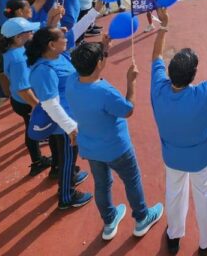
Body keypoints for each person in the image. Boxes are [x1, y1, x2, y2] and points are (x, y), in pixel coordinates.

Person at [150, 11, 207, 255]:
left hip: (172, 155)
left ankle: (174, 235)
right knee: (203, 194)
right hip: (201, 157)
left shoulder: (158, 87)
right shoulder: (202, 94)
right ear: (193, 75)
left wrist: (164, 26)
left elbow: (156, 56)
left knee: (174, 193)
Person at [66, 41, 164, 241]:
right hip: (116, 148)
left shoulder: (71, 81)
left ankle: (109, 222)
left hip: (90, 147)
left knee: (102, 184)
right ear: (99, 63)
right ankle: (142, 217)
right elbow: (128, 109)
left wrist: (102, 46)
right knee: (132, 180)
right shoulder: (104, 92)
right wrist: (131, 82)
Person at [26, 27, 93, 209]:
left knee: (67, 157)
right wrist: (70, 127)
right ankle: (66, 196)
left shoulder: (59, 56)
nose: (66, 37)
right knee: (68, 158)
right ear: (51, 44)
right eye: (62, 36)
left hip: (70, 118)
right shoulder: (44, 70)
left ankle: (67, 175)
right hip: (64, 124)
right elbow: (50, 104)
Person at [0, 17, 54, 176]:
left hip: (19, 101)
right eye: (28, 31)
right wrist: (38, 107)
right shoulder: (18, 60)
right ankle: (37, 162)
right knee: (34, 130)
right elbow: (22, 88)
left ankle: (37, 159)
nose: (32, 32)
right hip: (26, 102)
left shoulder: (13, 49)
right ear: (17, 37)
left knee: (30, 128)